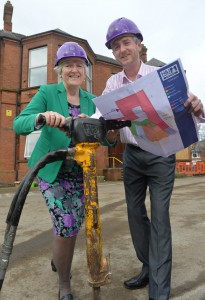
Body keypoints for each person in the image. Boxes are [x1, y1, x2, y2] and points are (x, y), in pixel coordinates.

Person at [98, 17, 204, 300]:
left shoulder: (159, 74)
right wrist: (103, 126)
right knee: (135, 217)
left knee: (159, 219)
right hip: (131, 157)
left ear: (138, 44)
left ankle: (159, 290)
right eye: (116, 46)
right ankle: (149, 266)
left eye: (126, 42)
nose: (122, 49)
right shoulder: (112, 84)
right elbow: (103, 122)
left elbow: (194, 108)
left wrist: (197, 106)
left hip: (161, 156)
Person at [13, 42, 96, 300]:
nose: (74, 69)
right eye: (68, 65)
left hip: (81, 173)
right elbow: (19, 123)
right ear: (59, 70)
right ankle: (64, 285)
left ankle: (57, 258)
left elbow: (105, 137)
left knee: (74, 223)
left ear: (84, 71)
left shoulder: (92, 101)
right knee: (66, 223)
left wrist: (98, 129)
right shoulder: (47, 93)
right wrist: (41, 117)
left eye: (78, 65)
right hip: (51, 170)